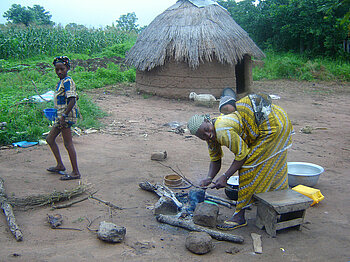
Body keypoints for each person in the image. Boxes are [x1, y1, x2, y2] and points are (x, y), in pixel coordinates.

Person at [187, 93, 293, 230]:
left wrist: (225, 177)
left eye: (206, 130)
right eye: (202, 136)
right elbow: (215, 159)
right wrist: (209, 178)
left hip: (273, 125)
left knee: (248, 167)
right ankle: (280, 204)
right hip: (276, 120)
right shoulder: (211, 136)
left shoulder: (221, 129)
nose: (208, 135)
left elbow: (242, 155)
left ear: (208, 121)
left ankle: (239, 216)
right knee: (273, 164)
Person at [46, 56, 81, 180]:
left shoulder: (68, 81)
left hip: (65, 116)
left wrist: (64, 116)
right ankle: (60, 165)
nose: (59, 72)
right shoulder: (61, 82)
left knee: (68, 143)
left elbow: (72, 99)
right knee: (50, 139)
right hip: (61, 116)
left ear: (67, 68)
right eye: (57, 70)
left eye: (62, 69)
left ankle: (75, 172)